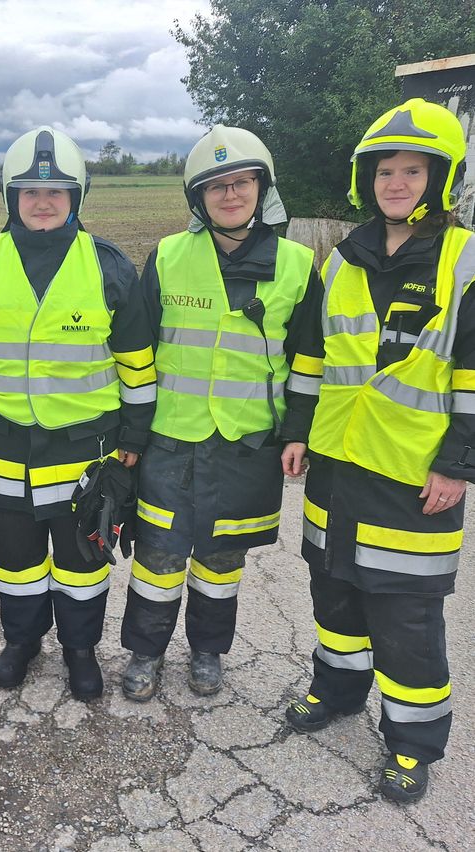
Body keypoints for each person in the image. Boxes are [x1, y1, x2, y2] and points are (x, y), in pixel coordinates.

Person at [285, 98, 474, 804]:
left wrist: (458, 465)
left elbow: (472, 377)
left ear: (440, 177)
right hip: (336, 463)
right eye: (385, 170)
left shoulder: (465, 259)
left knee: (405, 615)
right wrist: (298, 432)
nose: (397, 182)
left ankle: (413, 743)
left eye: (413, 170)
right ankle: (336, 691)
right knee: (334, 591)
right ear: (367, 179)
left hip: (413, 473)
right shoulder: (342, 259)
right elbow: (311, 356)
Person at [0, 126, 156, 701]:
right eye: (30, 192)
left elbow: (138, 364)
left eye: (56, 192)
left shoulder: (109, 266)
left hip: (86, 449)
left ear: (76, 198)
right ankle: (22, 641)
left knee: (83, 560)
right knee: (15, 559)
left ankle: (80, 650)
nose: (42, 202)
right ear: (10, 197)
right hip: (4, 442)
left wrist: (135, 433)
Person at [119, 125, 324, 700]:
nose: (230, 195)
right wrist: (131, 430)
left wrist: (297, 433)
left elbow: (309, 357)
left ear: (262, 190)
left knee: (220, 556)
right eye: (216, 187)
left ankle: (208, 650)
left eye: (242, 183)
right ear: (198, 199)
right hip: (170, 438)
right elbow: (138, 348)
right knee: (158, 556)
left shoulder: (297, 265)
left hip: (246, 444)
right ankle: (145, 652)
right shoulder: (167, 255)